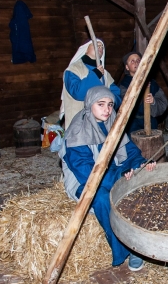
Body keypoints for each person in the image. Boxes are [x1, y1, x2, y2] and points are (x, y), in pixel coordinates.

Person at [59, 86, 156, 271]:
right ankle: (127, 250)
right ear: (89, 105)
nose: (107, 109)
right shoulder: (78, 130)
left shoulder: (113, 122)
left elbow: (130, 152)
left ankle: (141, 239)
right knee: (103, 198)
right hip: (83, 180)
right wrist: (118, 177)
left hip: (109, 170)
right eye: (101, 104)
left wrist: (140, 164)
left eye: (110, 105)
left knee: (136, 187)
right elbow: (86, 172)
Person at [61, 39, 122, 129]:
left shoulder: (105, 74)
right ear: (85, 49)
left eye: (102, 47)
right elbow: (77, 93)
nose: (100, 48)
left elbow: (116, 94)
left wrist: (108, 105)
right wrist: (95, 75)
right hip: (79, 124)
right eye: (96, 45)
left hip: (100, 123)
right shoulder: (73, 69)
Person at [118, 51, 168, 134]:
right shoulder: (124, 85)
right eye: (132, 61)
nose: (136, 63)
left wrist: (153, 101)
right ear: (127, 67)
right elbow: (125, 103)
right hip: (132, 124)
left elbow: (163, 102)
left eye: (138, 60)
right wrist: (140, 90)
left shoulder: (152, 82)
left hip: (151, 123)